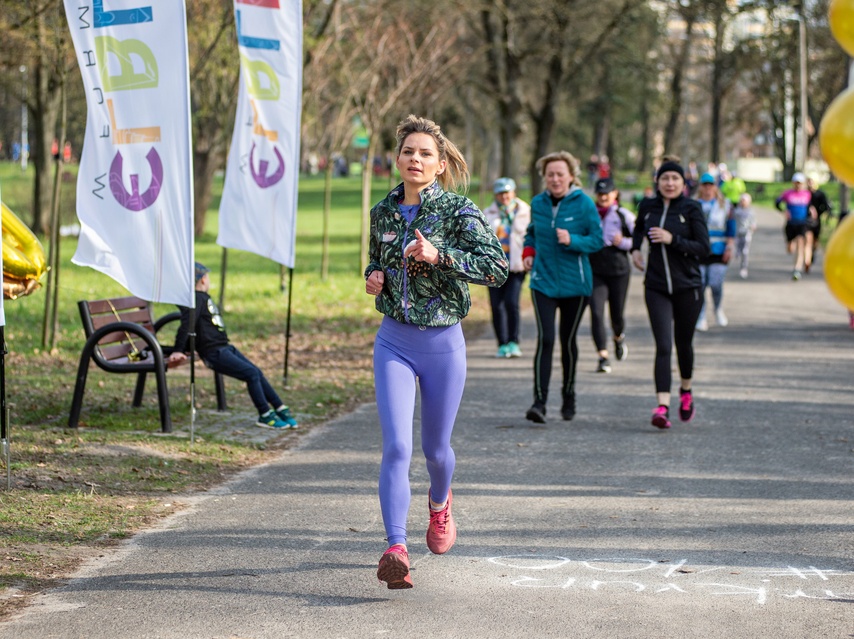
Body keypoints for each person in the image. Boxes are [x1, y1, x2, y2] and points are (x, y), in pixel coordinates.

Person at [365, 115, 508, 589]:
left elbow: (497, 269)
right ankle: (395, 548)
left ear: (440, 164)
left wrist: (439, 256)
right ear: (397, 158)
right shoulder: (382, 211)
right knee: (398, 446)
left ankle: (440, 504)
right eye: (409, 151)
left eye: (426, 154)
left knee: (435, 450)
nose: (416, 160)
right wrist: (374, 276)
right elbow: (376, 257)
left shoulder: (458, 211)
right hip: (393, 341)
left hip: (443, 343)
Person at [522, 151, 603, 423]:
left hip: (575, 285)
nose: (555, 179)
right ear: (544, 178)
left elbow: (597, 240)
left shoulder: (584, 204)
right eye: (550, 175)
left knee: (568, 342)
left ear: (571, 176)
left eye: (560, 174)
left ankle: (568, 395)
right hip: (543, 281)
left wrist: (573, 240)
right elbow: (532, 231)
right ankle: (539, 402)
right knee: (545, 339)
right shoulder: (538, 203)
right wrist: (528, 251)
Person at [168, 263, 299, 431]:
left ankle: (279, 407)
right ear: (202, 279)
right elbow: (187, 325)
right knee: (251, 374)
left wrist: (185, 347)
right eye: (208, 277)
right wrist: (178, 350)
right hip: (214, 352)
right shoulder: (195, 299)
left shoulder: (201, 298)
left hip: (224, 347)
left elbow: (198, 325)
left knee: (256, 372)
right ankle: (265, 415)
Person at [631, 158, 709, 430]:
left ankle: (686, 391)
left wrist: (671, 239)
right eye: (665, 178)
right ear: (658, 181)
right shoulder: (648, 206)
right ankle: (661, 406)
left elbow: (703, 247)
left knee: (683, 343)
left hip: (688, 287)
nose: (670, 183)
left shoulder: (692, 208)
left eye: (675, 178)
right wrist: (635, 249)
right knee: (663, 346)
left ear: (683, 182)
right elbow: (638, 228)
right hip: (656, 286)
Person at [588, 177, 636, 373]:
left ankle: (618, 337)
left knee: (616, 315)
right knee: (597, 313)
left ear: (615, 193)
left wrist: (622, 242)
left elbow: (639, 241)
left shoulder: (624, 215)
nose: (603, 196)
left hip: (618, 270)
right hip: (595, 269)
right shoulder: (589, 214)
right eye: (600, 193)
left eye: (607, 193)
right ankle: (602, 356)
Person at [483, 177, 531, 358]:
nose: (504, 197)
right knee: (497, 305)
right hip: (494, 267)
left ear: (514, 193)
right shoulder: (488, 213)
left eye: (507, 193)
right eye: (501, 193)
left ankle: (514, 341)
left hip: (516, 265)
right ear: (496, 195)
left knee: (511, 302)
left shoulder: (525, 211)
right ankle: (502, 343)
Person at [694, 173, 736, 331]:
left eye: (710, 184)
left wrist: (729, 247)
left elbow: (731, 228)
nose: (707, 187)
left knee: (715, 283)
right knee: (700, 284)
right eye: (704, 184)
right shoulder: (694, 204)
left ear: (715, 186)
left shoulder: (725, 205)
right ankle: (701, 315)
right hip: (698, 250)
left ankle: (717, 308)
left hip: (719, 250)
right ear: (700, 186)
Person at [774, 172, 813, 280]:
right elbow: (777, 202)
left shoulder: (807, 194)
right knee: (790, 248)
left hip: (802, 223)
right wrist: (783, 211)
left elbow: (810, 206)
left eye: (800, 183)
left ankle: (797, 269)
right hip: (791, 224)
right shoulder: (788, 194)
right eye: (796, 183)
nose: (798, 185)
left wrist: (811, 211)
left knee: (801, 244)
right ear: (793, 183)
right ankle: (790, 245)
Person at [732, 193, 757, 279]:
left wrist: (753, 226)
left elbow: (753, 221)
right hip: (738, 233)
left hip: (747, 233)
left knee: (745, 251)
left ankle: (744, 268)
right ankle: (737, 253)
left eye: (744, 201)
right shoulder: (736, 211)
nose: (743, 202)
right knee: (738, 249)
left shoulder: (750, 212)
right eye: (742, 200)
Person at [807, 177, 832, 252]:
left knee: (816, 237)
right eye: (808, 182)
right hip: (806, 218)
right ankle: (807, 252)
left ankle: (813, 250)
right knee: (807, 236)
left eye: (811, 182)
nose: (810, 184)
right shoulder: (805, 194)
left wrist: (824, 213)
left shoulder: (820, 194)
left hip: (817, 219)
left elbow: (826, 205)